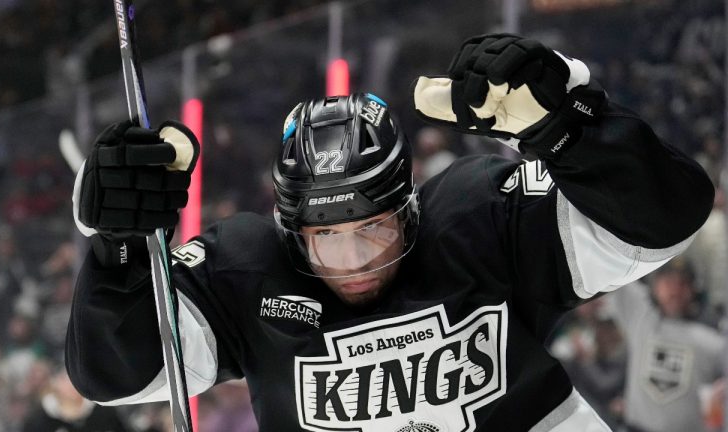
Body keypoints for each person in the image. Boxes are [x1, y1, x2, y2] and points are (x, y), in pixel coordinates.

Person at [65, 34, 714, 431]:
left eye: (372, 230)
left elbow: (658, 224)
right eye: (327, 238)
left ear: (409, 210)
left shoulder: (478, 223)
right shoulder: (244, 273)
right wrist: (118, 249)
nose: (352, 261)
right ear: (289, 231)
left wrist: (569, 129)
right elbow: (119, 375)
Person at [607, 259, 725, 432]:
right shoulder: (641, 317)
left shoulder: (713, 342)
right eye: (668, 281)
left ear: (694, 290)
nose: (675, 290)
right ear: (654, 286)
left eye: (683, 283)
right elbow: (613, 267)